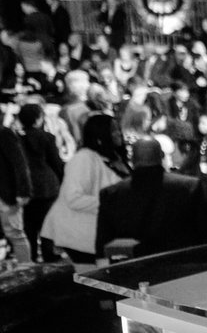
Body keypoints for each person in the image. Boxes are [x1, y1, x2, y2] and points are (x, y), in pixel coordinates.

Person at [95, 138, 207, 258]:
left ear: (132, 159)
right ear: (161, 156)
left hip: (133, 272)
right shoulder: (189, 187)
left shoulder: (111, 195)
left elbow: (103, 246)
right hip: (183, 269)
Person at [40, 114, 130, 263]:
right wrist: (113, 204)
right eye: (113, 130)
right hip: (78, 238)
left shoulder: (115, 157)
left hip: (100, 236)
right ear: (100, 135)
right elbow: (74, 198)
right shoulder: (84, 159)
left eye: (118, 129)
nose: (118, 133)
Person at [17, 102, 64, 262]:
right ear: (39, 119)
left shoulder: (17, 139)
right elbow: (56, 163)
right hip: (47, 185)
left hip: (26, 186)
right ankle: (48, 254)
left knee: (29, 224)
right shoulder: (47, 138)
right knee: (47, 222)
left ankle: (31, 256)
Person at [0, 115, 32, 263]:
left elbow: (20, 164)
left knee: (15, 233)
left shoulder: (5, 133)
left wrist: (23, 191)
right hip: (7, 193)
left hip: (7, 193)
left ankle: (25, 270)